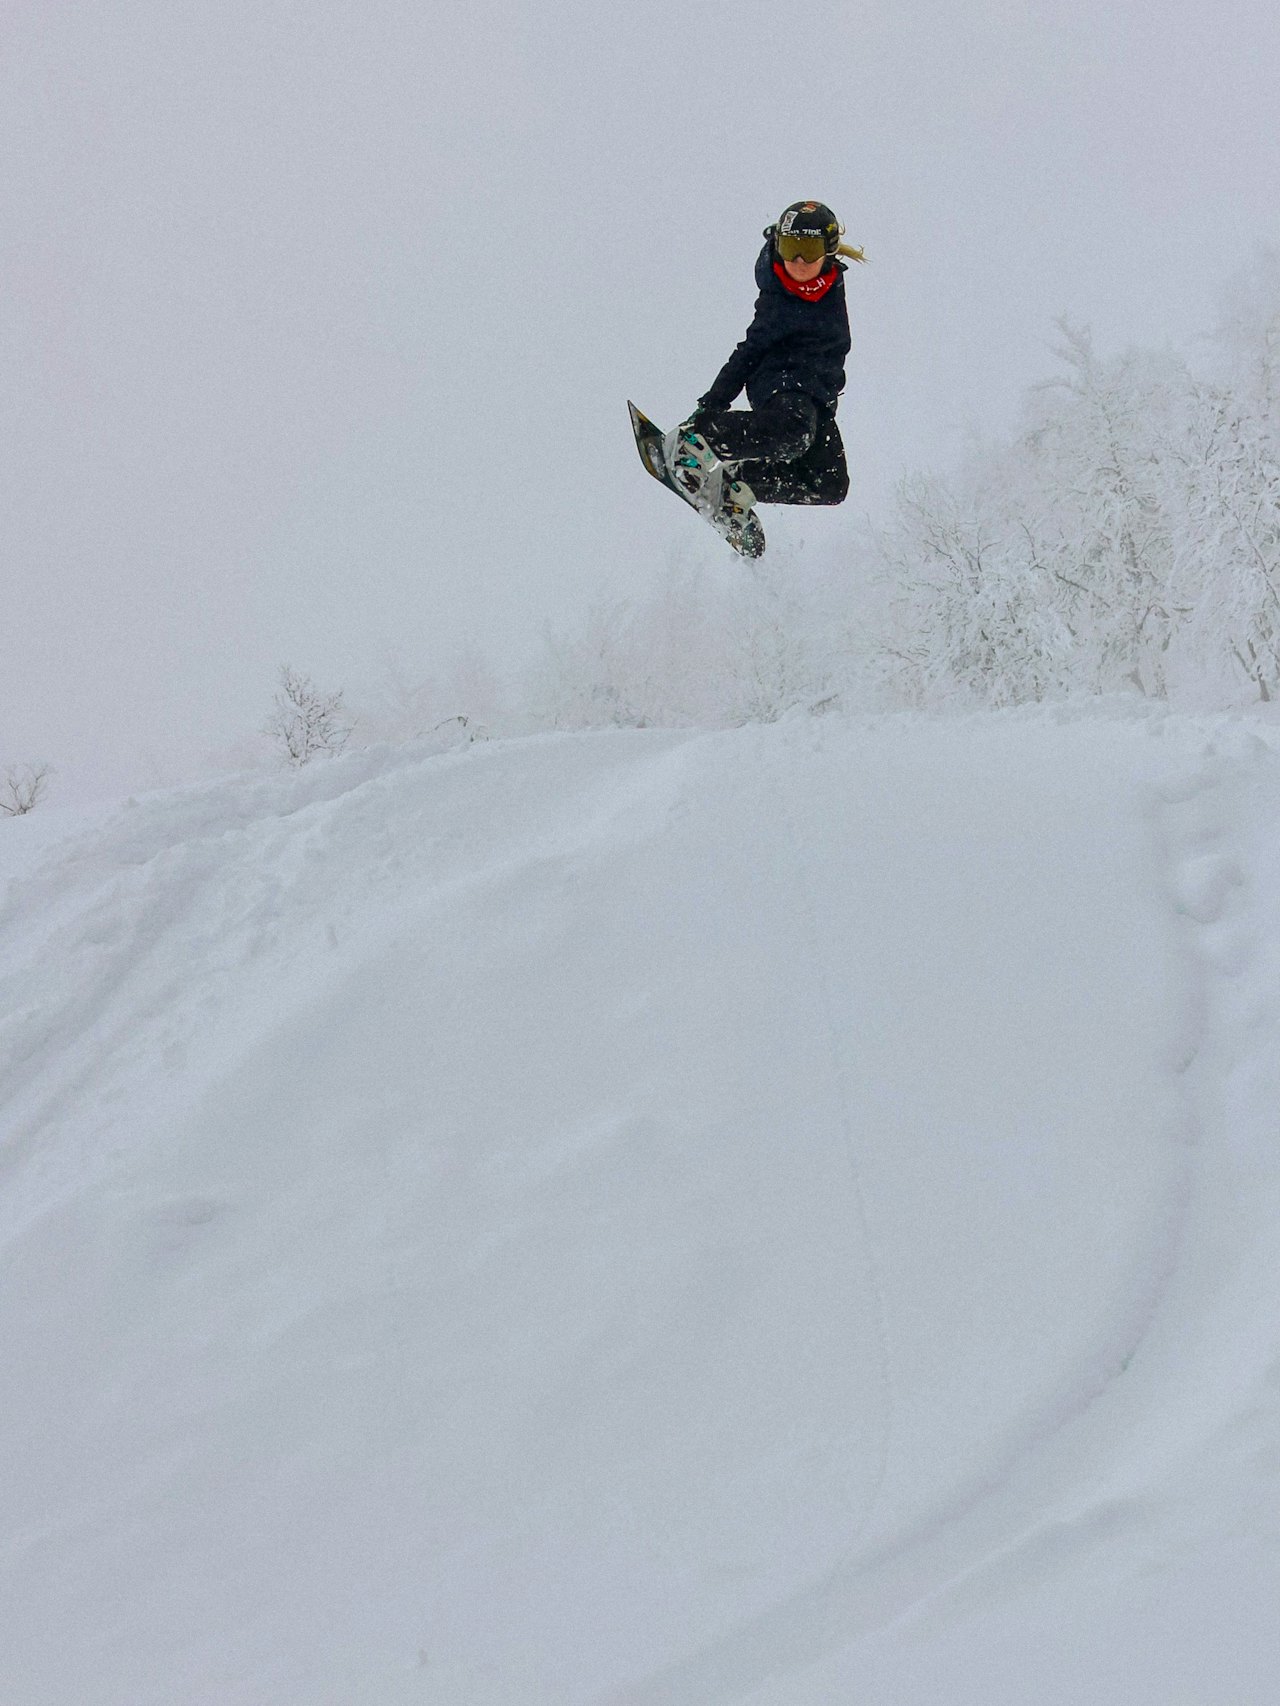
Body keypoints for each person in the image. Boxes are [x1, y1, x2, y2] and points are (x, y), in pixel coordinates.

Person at [665, 201, 865, 529]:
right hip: (779, 380)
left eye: (808, 250)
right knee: (795, 432)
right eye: (789, 248)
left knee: (829, 484)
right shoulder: (778, 296)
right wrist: (711, 406)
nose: (798, 261)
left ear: (828, 251)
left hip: (816, 394)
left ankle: (738, 484)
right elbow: (749, 351)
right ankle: (698, 441)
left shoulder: (827, 283)